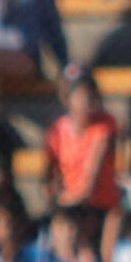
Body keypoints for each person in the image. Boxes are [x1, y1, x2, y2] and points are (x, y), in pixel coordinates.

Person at [44, 76, 120, 214]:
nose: (87, 103)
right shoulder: (56, 130)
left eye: (91, 97)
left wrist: (68, 200)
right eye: (81, 97)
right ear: (69, 99)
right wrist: (55, 194)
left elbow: (90, 180)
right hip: (69, 205)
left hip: (98, 207)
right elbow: (52, 175)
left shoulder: (104, 126)